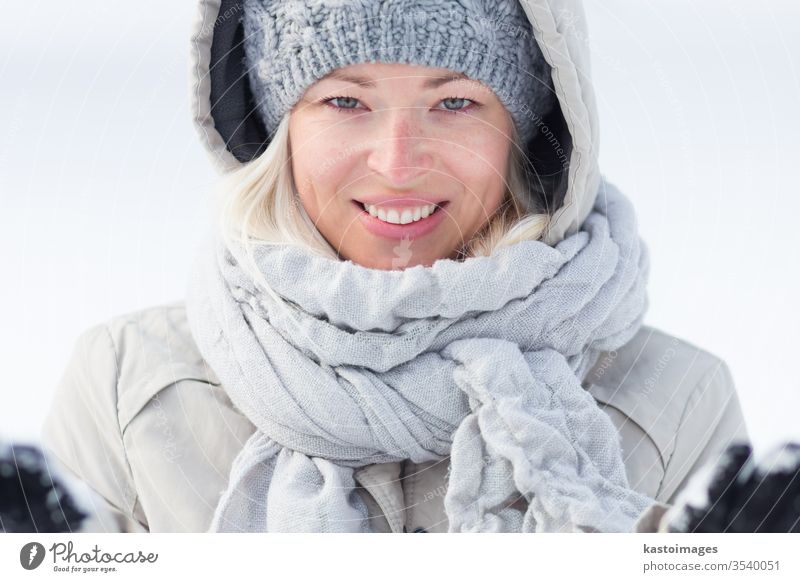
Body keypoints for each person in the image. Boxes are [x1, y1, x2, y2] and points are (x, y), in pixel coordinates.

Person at [38, 0, 751, 533]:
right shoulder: (129, 385)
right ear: (279, 132)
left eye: (455, 102)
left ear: (524, 134)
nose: (398, 162)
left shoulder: (676, 401)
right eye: (345, 101)